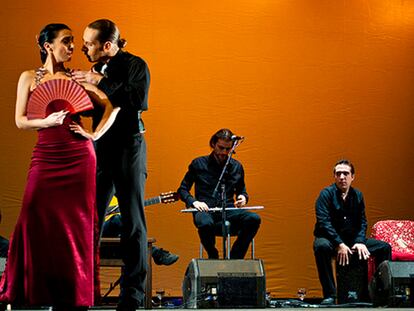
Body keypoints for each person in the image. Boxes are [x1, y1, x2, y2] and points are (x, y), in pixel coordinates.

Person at [0, 23, 118, 309]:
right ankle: (30, 291)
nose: (72, 47)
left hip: (79, 156)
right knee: (33, 217)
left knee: (75, 226)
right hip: (47, 154)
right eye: (66, 41)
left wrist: (94, 134)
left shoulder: (75, 77)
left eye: (73, 42)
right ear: (47, 45)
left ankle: (73, 295)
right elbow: (19, 120)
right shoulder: (29, 77)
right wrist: (47, 121)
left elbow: (109, 106)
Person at [71, 19, 149, 310]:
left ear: (106, 45)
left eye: (88, 43)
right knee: (89, 221)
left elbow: (136, 99)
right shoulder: (94, 70)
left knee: (132, 223)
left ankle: (132, 296)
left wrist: (99, 82)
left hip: (129, 146)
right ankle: (83, 291)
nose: (83, 47)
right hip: (100, 147)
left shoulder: (136, 65)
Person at [313, 159, 392, 305]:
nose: (342, 177)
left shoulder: (358, 195)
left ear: (352, 176)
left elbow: (362, 222)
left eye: (345, 173)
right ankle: (330, 294)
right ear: (334, 177)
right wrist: (339, 244)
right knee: (320, 247)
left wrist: (360, 241)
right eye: (338, 174)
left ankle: (379, 292)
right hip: (330, 239)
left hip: (351, 239)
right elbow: (324, 223)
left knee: (384, 248)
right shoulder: (325, 194)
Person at [177, 128, 261, 259]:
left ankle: (235, 257)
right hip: (205, 210)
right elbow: (182, 190)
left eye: (228, 149)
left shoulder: (236, 166)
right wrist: (194, 202)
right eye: (221, 148)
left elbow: (242, 190)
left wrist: (243, 197)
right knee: (205, 223)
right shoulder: (198, 164)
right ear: (213, 144)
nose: (224, 153)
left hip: (229, 211)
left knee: (254, 219)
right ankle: (213, 254)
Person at [102, 207, 179, 266]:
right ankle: (156, 253)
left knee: (128, 222)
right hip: (94, 240)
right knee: (117, 219)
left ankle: (156, 253)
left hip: (111, 245)